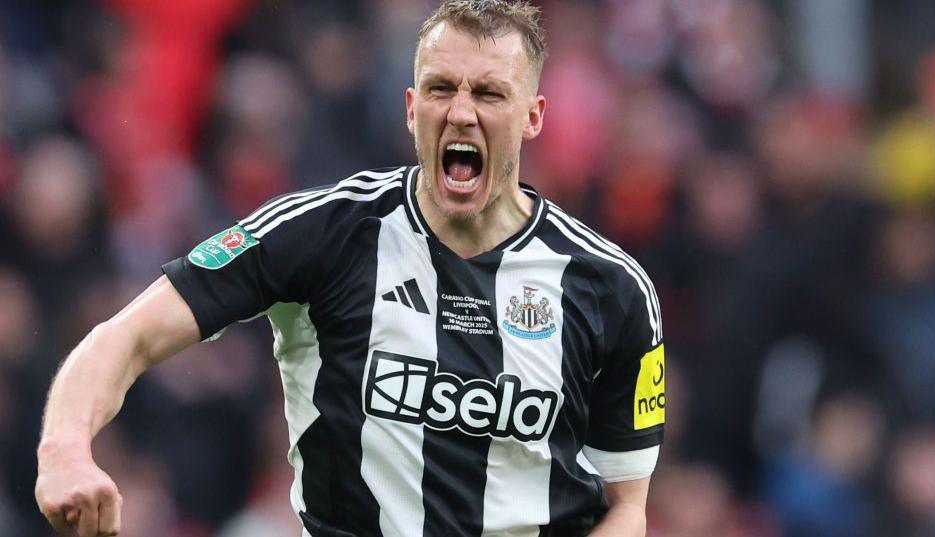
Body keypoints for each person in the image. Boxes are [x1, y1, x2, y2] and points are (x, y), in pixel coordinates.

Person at [34, 1, 666, 536]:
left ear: (533, 116)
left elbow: (626, 506)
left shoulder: (611, 288)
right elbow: (128, 335)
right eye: (442, 89)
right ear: (412, 107)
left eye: (490, 93)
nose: (462, 112)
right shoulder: (326, 233)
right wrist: (64, 451)